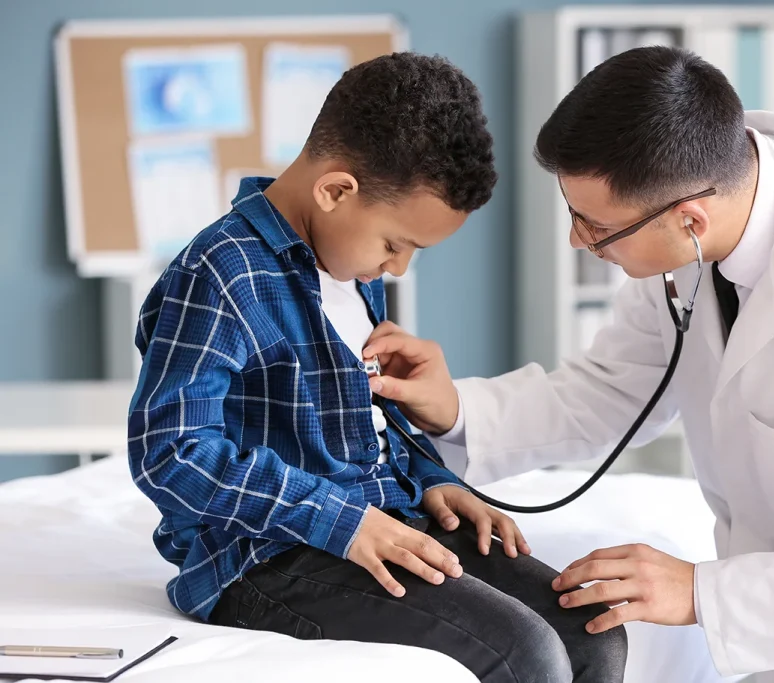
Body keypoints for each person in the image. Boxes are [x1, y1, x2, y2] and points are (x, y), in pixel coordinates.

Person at [362, 47, 774, 681]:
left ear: (689, 219)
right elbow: (615, 388)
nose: (577, 239)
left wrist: (698, 590)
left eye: (595, 226)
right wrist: (456, 407)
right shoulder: (697, 229)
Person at [126, 52, 626, 683]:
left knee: (592, 633)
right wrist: (342, 520)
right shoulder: (220, 273)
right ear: (335, 191)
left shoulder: (346, 263)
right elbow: (170, 452)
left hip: (383, 521)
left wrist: (431, 479)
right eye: (396, 245)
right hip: (268, 554)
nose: (397, 269)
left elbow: (362, 422)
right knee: (523, 652)